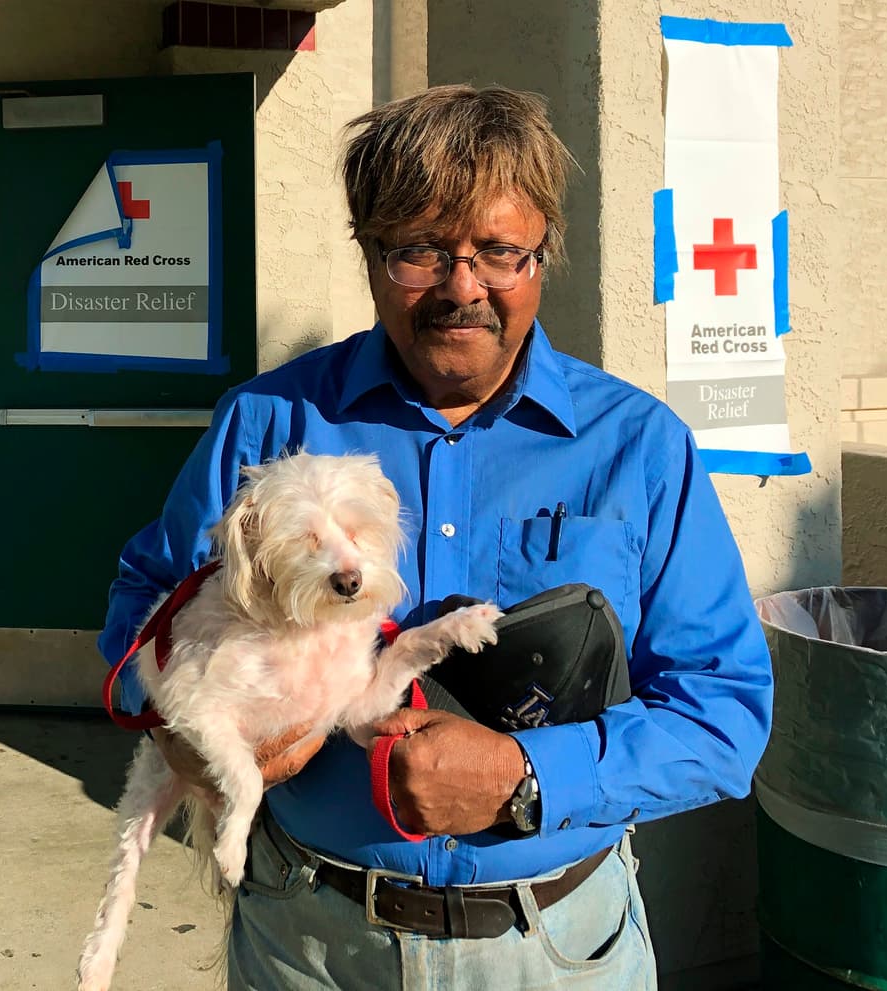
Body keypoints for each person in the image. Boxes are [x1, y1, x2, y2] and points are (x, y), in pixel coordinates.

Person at [98, 83, 773, 990]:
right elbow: (144, 603)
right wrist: (186, 732)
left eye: (500, 251)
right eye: (420, 250)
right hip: (311, 940)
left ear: (544, 254)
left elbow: (723, 712)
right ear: (371, 256)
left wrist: (524, 775)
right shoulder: (265, 425)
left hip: (558, 946)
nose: (464, 287)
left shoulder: (640, 446)